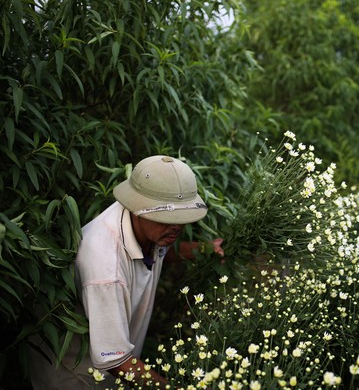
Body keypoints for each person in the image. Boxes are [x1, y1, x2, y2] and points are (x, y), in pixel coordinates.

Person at [29, 155, 224, 389]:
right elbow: (115, 361)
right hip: (77, 378)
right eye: (168, 217)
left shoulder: (149, 228)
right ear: (138, 207)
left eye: (182, 217)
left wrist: (205, 248)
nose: (177, 227)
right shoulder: (106, 268)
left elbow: (161, 252)